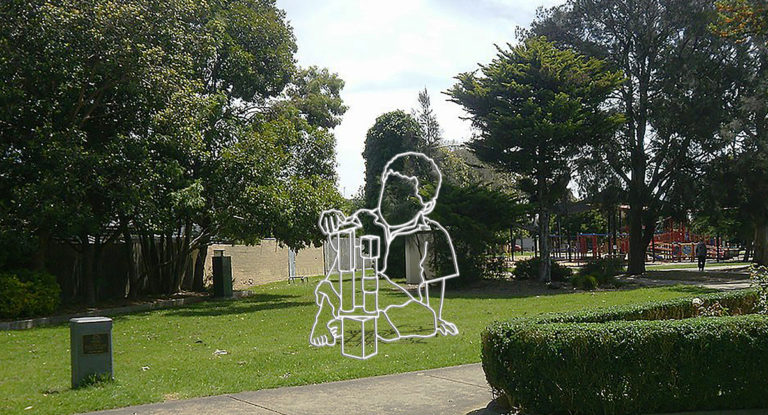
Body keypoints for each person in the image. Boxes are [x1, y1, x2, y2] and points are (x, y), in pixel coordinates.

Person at [310, 152, 459, 347]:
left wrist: (436, 320)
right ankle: (328, 322)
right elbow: (340, 223)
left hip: (397, 306)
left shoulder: (432, 233)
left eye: (405, 192)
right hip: (366, 299)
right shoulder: (366, 218)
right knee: (331, 287)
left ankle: (354, 324)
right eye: (389, 186)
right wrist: (332, 220)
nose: (391, 196)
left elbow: (435, 291)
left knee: (422, 319)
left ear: (427, 204)